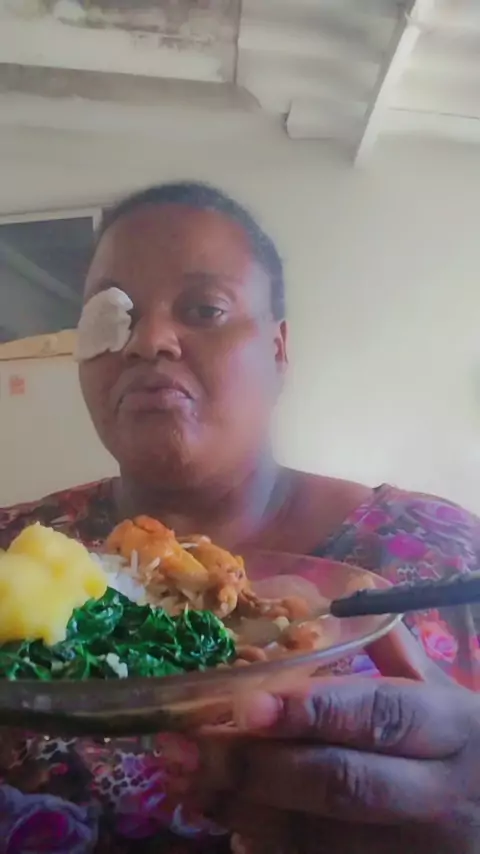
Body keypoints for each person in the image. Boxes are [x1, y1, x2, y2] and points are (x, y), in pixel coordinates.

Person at [0, 181, 479, 854]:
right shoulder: (12, 554)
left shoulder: (447, 555)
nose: (148, 341)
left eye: (204, 308)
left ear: (279, 350)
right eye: (113, 317)